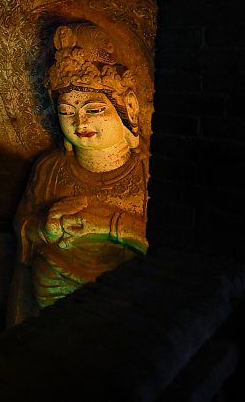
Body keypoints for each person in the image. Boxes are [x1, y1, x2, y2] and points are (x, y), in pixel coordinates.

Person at [8, 23, 148, 326]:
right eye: (66, 112)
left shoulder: (150, 173)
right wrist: (45, 228)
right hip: (53, 290)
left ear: (129, 108)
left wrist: (110, 225)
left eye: (95, 109)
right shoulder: (50, 168)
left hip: (125, 297)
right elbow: (24, 232)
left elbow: (176, 252)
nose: (80, 121)